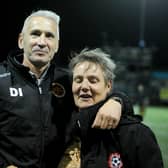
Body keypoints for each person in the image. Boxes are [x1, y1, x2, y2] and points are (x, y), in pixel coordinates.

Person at [0, 10, 133, 168]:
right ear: (21, 41)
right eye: (35, 34)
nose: (42, 42)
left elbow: (103, 93)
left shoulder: (68, 80)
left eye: (49, 36)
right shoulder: (2, 78)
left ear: (56, 45)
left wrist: (116, 101)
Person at [58, 48, 164, 168]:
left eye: (93, 80)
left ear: (108, 86)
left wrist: (118, 100)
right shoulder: (61, 131)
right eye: (78, 80)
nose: (84, 86)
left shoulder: (136, 134)